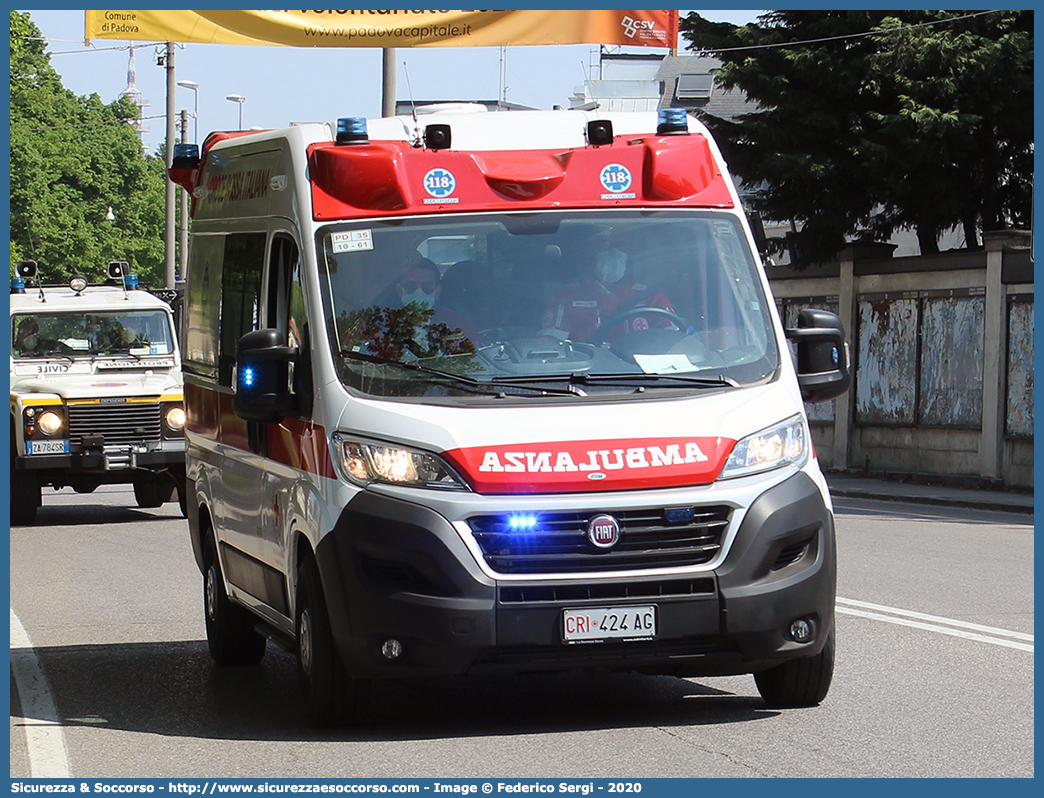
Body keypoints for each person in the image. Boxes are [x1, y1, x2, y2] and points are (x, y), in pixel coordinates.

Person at [539, 232, 677, 343]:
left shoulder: (650, 297)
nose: (613, 251)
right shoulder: (567, 296)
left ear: (628, 251)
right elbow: (550, 346)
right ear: (589, 252)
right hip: (585, 373)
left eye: (619, 245)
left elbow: (674, 343)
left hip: (638, 374)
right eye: (603, 244)